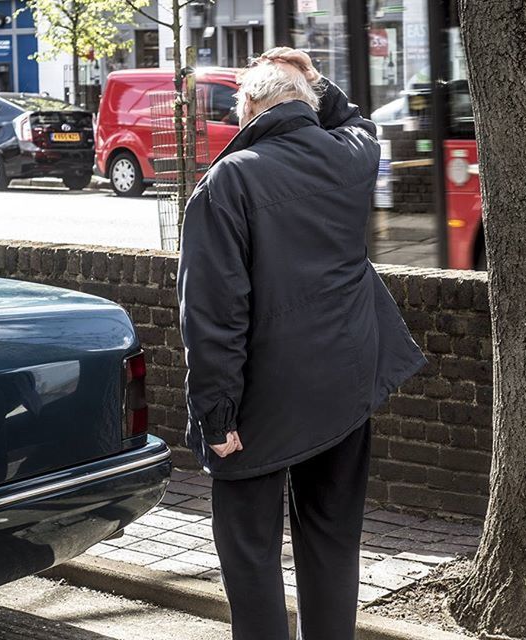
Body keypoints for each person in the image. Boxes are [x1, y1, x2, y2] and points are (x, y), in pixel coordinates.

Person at [177, 48, 426, 640]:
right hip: (345, 386)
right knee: (333, 540)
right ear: (307, 106)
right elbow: (359, 122)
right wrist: (316, 80)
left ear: (249, 109)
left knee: (251, 554)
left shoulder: (227, 182)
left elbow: (212, 316)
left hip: (264, 400)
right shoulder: (351, 159)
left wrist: (215, 416)